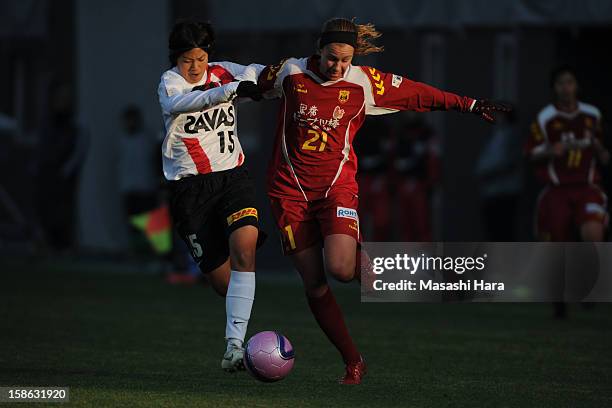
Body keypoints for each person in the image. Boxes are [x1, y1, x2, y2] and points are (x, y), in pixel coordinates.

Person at [256, 17, 510, 384]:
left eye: (345, 60)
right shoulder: (289, 73)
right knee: (314, 283)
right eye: (331, 58)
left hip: (335, 189)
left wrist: (467, 105)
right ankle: (353, 361)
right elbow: (245, 79)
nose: (338, 67)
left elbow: (418, 93)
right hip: (288, 193)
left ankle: (429, 279)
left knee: (342, 269)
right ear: (318, 49)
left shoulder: (363, 81)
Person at [157, 20, 264, 372]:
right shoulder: (169, 83)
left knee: (245, 247)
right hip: (190, 191)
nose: (195, 66)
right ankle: (239, 333)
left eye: (201, 58)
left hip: (233, 176)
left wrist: (276, 77)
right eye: (188, 59)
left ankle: (235, 347)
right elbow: (182, 104)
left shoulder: (221, 71)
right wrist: (231, 92)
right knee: (223, 284)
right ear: (177, 58)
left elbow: (254, 72)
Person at [525, 65, 609, 318]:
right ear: (554, 87)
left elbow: (601, 147)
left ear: (577, 86)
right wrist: (551, 150)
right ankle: (558, 301)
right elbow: (530, 153)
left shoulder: (592, 115)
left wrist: (602, 153)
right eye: (561, 83)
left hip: (587, 187)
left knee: (593, 233)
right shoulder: (546, 117)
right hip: (557, 190)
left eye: (570, 82)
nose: (566, 88)